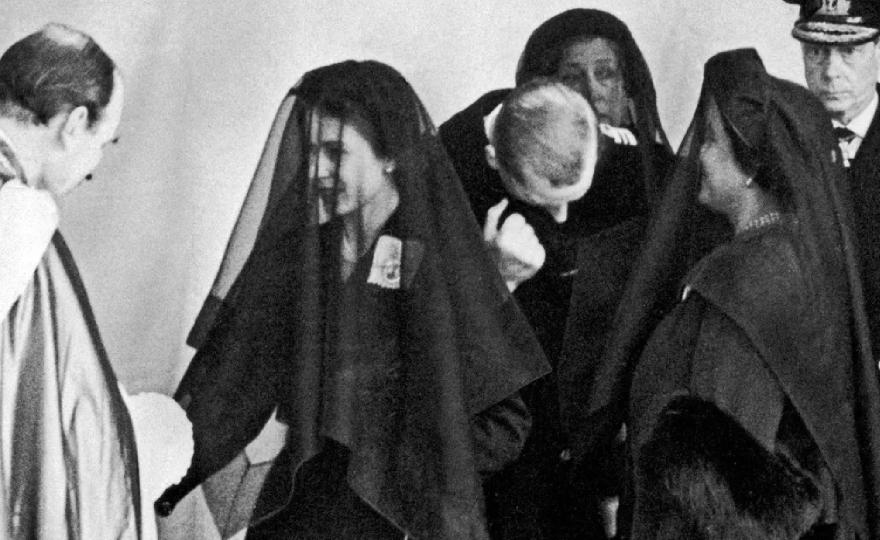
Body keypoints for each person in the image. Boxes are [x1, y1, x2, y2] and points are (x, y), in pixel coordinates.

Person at [154, 60, 550, 539]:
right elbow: (236, 387)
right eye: (311, 150)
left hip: (401, 521)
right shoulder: (299, 255)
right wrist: (162, 472)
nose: (316, 170)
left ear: (391, 156)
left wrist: (401, 469)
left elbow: (503, 427)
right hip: (298, 506)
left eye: (335, 152)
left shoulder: (444, 259)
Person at [585, 49, 880, 539]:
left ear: (749, 165)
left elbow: (717, 489)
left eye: (712, 143)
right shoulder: (795, 259)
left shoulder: (744, 283)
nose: (698, 154)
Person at [439, 9, 672, 539]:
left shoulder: (654, 177)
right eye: (572, 77)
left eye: (607, 74)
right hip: (516, 445)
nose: (592, 91)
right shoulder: (477, 165)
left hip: (607, 445)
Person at [0, 23, 142, 538]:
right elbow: (78, 429)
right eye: (104, 144)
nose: (95, 164)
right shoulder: (16, 220)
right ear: (75, 123)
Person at [783, 0, 880, 363]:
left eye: (849, 51)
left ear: (875, 48)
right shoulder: (781, 142)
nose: (830, 72)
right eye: (817, 52)